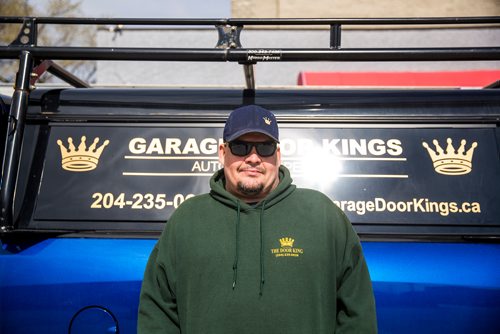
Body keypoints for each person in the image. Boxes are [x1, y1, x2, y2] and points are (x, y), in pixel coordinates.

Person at [138, 105, 377, 333]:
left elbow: (357, 313)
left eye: (265, 147)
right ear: (223, 153)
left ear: (278, 155)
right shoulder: (186, 220)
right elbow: (158, 312)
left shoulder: (324, 215)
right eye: (241, 147)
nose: (253, 158)